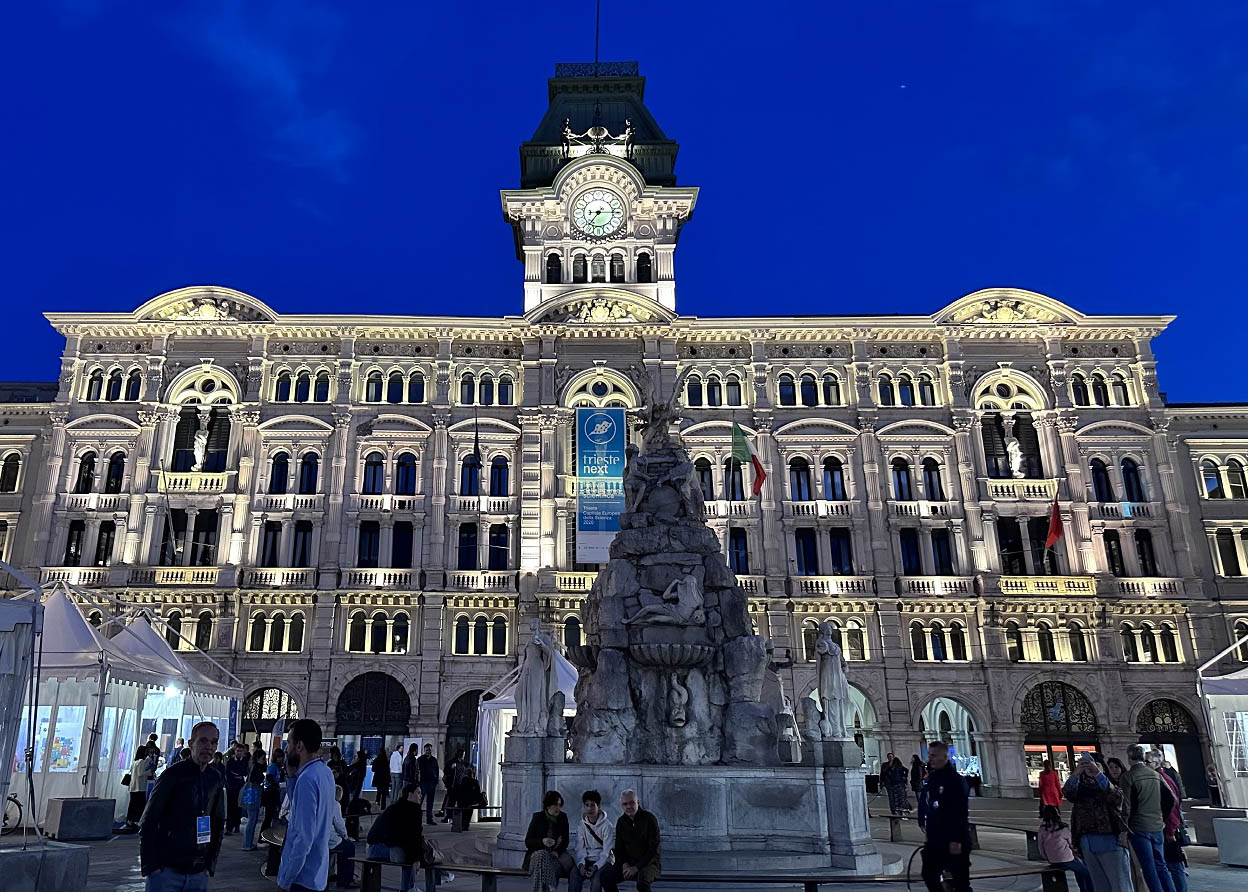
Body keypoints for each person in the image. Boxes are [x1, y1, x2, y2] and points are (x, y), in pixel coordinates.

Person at [139, 721, 226, 892]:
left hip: (198, 871)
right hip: (166, 870)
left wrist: (210, 864)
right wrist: (152, 866)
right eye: (203, 741)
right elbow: (148, 821)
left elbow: (217, 822)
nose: (208, 746)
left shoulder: (215, 778)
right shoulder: (172, 776)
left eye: (213, 742)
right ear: (191, 743)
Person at [277, 718, 337, 892]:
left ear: (299, 746)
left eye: (289, 743)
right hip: (318, 874)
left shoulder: (307, 780)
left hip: (302, 878)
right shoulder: (324, 772)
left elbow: (304, 838)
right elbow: (299, 806)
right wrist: (290, 777)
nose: (286, 749)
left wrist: (286, 881)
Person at [1064, 753, 1132, 892]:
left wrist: (1098, 774)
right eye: (1086, 764)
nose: (1090, 767)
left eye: (1095, 764)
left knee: (1120, 885)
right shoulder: (1079, 788)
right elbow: (1068, 792)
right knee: (1099, 886)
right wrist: (1076, 773)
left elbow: (1116, 798)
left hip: (1110, 840)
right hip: (1087, 842)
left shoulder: (1110, 785)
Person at [917, 741, 971, 892]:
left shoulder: (955, 780)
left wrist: (956, 839)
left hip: (954, 839)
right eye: (930, 755)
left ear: (945, 756)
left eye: (934, 755)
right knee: (928, 873)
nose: (931, 759)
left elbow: (959, 812)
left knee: (960, 882)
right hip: (937, 839)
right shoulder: (934, 778)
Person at [1124, 744, 1177, 892]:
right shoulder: (1155, 775)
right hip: (1156, 825)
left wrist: (1124, 827)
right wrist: (1161, 816)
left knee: (1148, 867)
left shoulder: (1129, 777)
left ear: (1129, 758)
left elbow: (1126, 805)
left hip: (1139, 826)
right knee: (1161, 864)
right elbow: (1171, 799)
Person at [367, 783, 426, 892]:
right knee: (406, 855)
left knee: (412, 853)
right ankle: (407, 888)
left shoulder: (406, 808)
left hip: (384, 846)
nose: (421, 796)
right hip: (376, 848)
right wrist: (416, 857)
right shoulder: (401, 810)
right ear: (409, 795)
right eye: (418, 793)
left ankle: (410, 887)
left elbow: (413, 836)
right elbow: (405, 837)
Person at [601, 790, 660, 892]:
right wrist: (625, 865)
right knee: (606, 877)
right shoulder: (621, 822)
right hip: (629, 864)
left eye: (631, 802)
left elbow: (653, 849)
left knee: (642, 882)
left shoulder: (650, 819)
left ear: (638, 802)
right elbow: (619, 848)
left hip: (649, 864)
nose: (628, 806)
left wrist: (636, 868)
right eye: (625, 804)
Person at [1150, 753, 1187, 892]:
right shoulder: (1156, 778)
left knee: (1174, 863)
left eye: (1148, 762)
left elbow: (1173, 804)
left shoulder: (1162, 779)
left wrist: (1170, 829)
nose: (1145, 765)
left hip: (1167, 828)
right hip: (1162, 826)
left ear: (1157, 763)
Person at [1037, 804, 1094, 892]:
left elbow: (1040, 846)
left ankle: (1083, 889)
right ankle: (1088, 890)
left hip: (1052, 859)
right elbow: (1071, 844)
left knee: (1078, 867)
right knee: (1086, 872)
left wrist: (1046, 857)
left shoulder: (1042, 829)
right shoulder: (1063, 828)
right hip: (1066, 859)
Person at [525, 790, 573, 892]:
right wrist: (542, 841)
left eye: (560, 805)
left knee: (541, 868)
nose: (558, 808)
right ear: (548, 805)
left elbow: (565, 841)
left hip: (554, 859)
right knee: (541, 855)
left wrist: (557, 851)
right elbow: (528, 841)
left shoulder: (563, 818)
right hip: (536, 857)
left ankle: (547, 888)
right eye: (555, 805)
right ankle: (551, 887)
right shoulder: (537, 817)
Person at [569, 789, 614, 892]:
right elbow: (580, 848)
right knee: (574, 875)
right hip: (587, 860)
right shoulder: (581, 826)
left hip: (602, 862)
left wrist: (596, 866)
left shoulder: (607, 826)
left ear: (599, 807)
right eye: (587, 805)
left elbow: (606, 851)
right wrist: (581, 864)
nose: (590, 808)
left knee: (596, 880)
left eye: (593, 805)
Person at [328, 787, 358, 889]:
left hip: (321, 838)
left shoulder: (322, 800)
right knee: (349, 848)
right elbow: (339, 824)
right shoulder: (335, 804)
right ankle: (346, 880)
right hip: (330, 838)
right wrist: (346, 837)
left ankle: (330, 873)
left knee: (333, 850)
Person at [241, 749, 268, 851]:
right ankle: (247, 844)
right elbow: (255, 780)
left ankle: (248, 843)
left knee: (252, 820)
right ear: (257, 758)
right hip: (253, 796)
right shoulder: (256, 768)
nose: (264, 760)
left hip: (252, 796)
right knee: (252, 820)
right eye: (262, 758)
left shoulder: (254, 766)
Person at [126, 743, 157, 829]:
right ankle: (136, 821)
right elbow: (141, 773)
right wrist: (149, 772)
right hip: (139, 786)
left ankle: (130, 820)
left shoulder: (135, 762)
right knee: (139, 805)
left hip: (133, 786)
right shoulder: (141, 761)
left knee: (132, 804)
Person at [225, 741, 250, 835]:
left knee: (238, 807)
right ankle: (229, 827)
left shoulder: (245, 761)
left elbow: (244, 772)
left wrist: (236, 774)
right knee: (230, 807)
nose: (239, 752)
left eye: (241, 751)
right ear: (235, 751)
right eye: (238, 750)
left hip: (240, 786)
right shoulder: (230, 761)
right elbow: (228, 773)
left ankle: (237, 826)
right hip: (231, 786)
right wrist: (236, 775)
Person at [262, 747, 287, 832]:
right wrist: (276, 785)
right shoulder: (272, 766)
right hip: (270, 792)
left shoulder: (279, 768)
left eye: (281, 757)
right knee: (268, 817)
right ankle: (262, 838)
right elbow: (269, 777)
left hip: (276, 791)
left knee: (273, 816)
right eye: (279, 757)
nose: (280, 759)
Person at [440, 747, 467, 823]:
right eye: (463, 754)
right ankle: (449, 817)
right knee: (451, 802)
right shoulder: (452, 763)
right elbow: (447, 774)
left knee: (458, 802)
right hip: (453, 785)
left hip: (459, 785)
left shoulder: (461, 763)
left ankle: (456, 817)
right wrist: (449, 784)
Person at [416, 743, 440, 826]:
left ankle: (429, 818)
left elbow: (436, 770)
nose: (428, 751)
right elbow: (417, 770)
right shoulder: (420, 759)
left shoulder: (434, 760)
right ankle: (417, 818)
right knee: (420, 801)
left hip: (432, 783)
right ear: (424, 750)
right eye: (427, 750)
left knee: (430, 802)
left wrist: (436, 780)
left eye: (429, 750)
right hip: (423, 783)